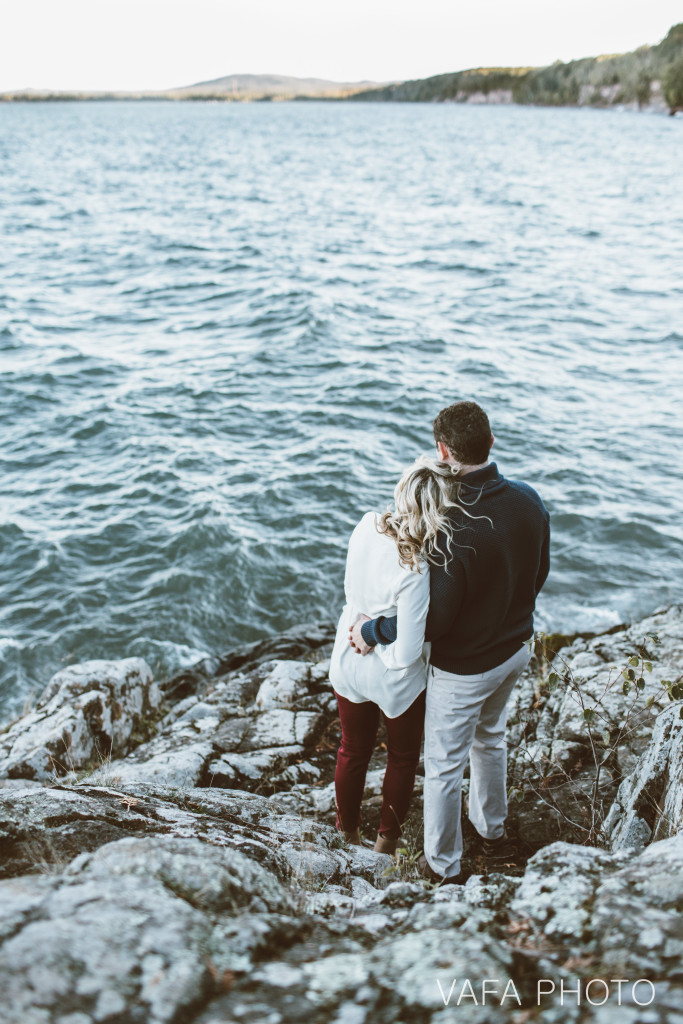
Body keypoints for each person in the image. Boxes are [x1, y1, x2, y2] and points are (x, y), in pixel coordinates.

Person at [350, 400, 550, 883]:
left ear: (442, 450)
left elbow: (431, 624)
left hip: (464, 670)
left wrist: (373, 629)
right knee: (490, 738)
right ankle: (493, 830)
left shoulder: (451, 524)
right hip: (516, 650)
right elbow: (538, 574)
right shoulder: (528, 500)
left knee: (442, 767)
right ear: (492, 443)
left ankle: (444, 867)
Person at [328, 456, 467, 854]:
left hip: (349, 657)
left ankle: (346, 833)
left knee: (351, 750)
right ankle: (385, 846)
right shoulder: (417, 566)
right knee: (402, 759)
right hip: (392, 679)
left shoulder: (365, 524)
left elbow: (352, 589)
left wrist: (368, 629)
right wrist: (384, 635)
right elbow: (407, 653)